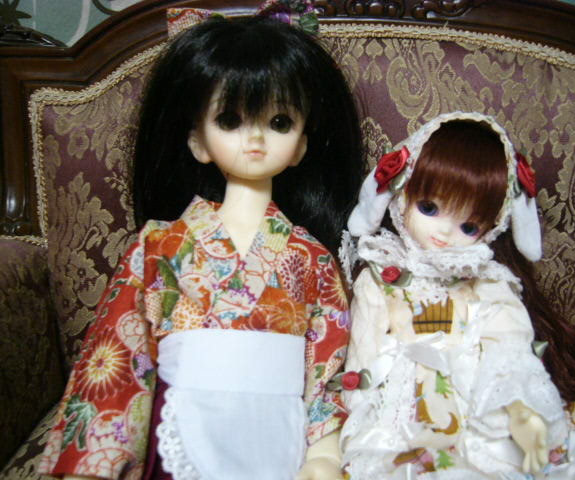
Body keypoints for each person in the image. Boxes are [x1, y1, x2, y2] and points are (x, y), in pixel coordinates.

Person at [38, 8, 366, 480]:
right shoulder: (160, 244)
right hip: (184, 420)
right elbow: (120, 349)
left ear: (299, 146)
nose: (255, 139)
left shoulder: (311, 257)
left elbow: (328, 366)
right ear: (198, 142)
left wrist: (325, 453)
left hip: (277, 431)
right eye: (230, 120)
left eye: (279, 122)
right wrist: (98, 462)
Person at [338, 112, 575, 479]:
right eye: (429, 208)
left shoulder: (486, 281)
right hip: (401, 409)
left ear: (493, 226)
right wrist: (359, 407)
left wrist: (520, 408)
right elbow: (363, 352)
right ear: (401, 193)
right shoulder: (380, 275)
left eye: (468, 226)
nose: (444, 233)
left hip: (476, 399)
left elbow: (509, 348)